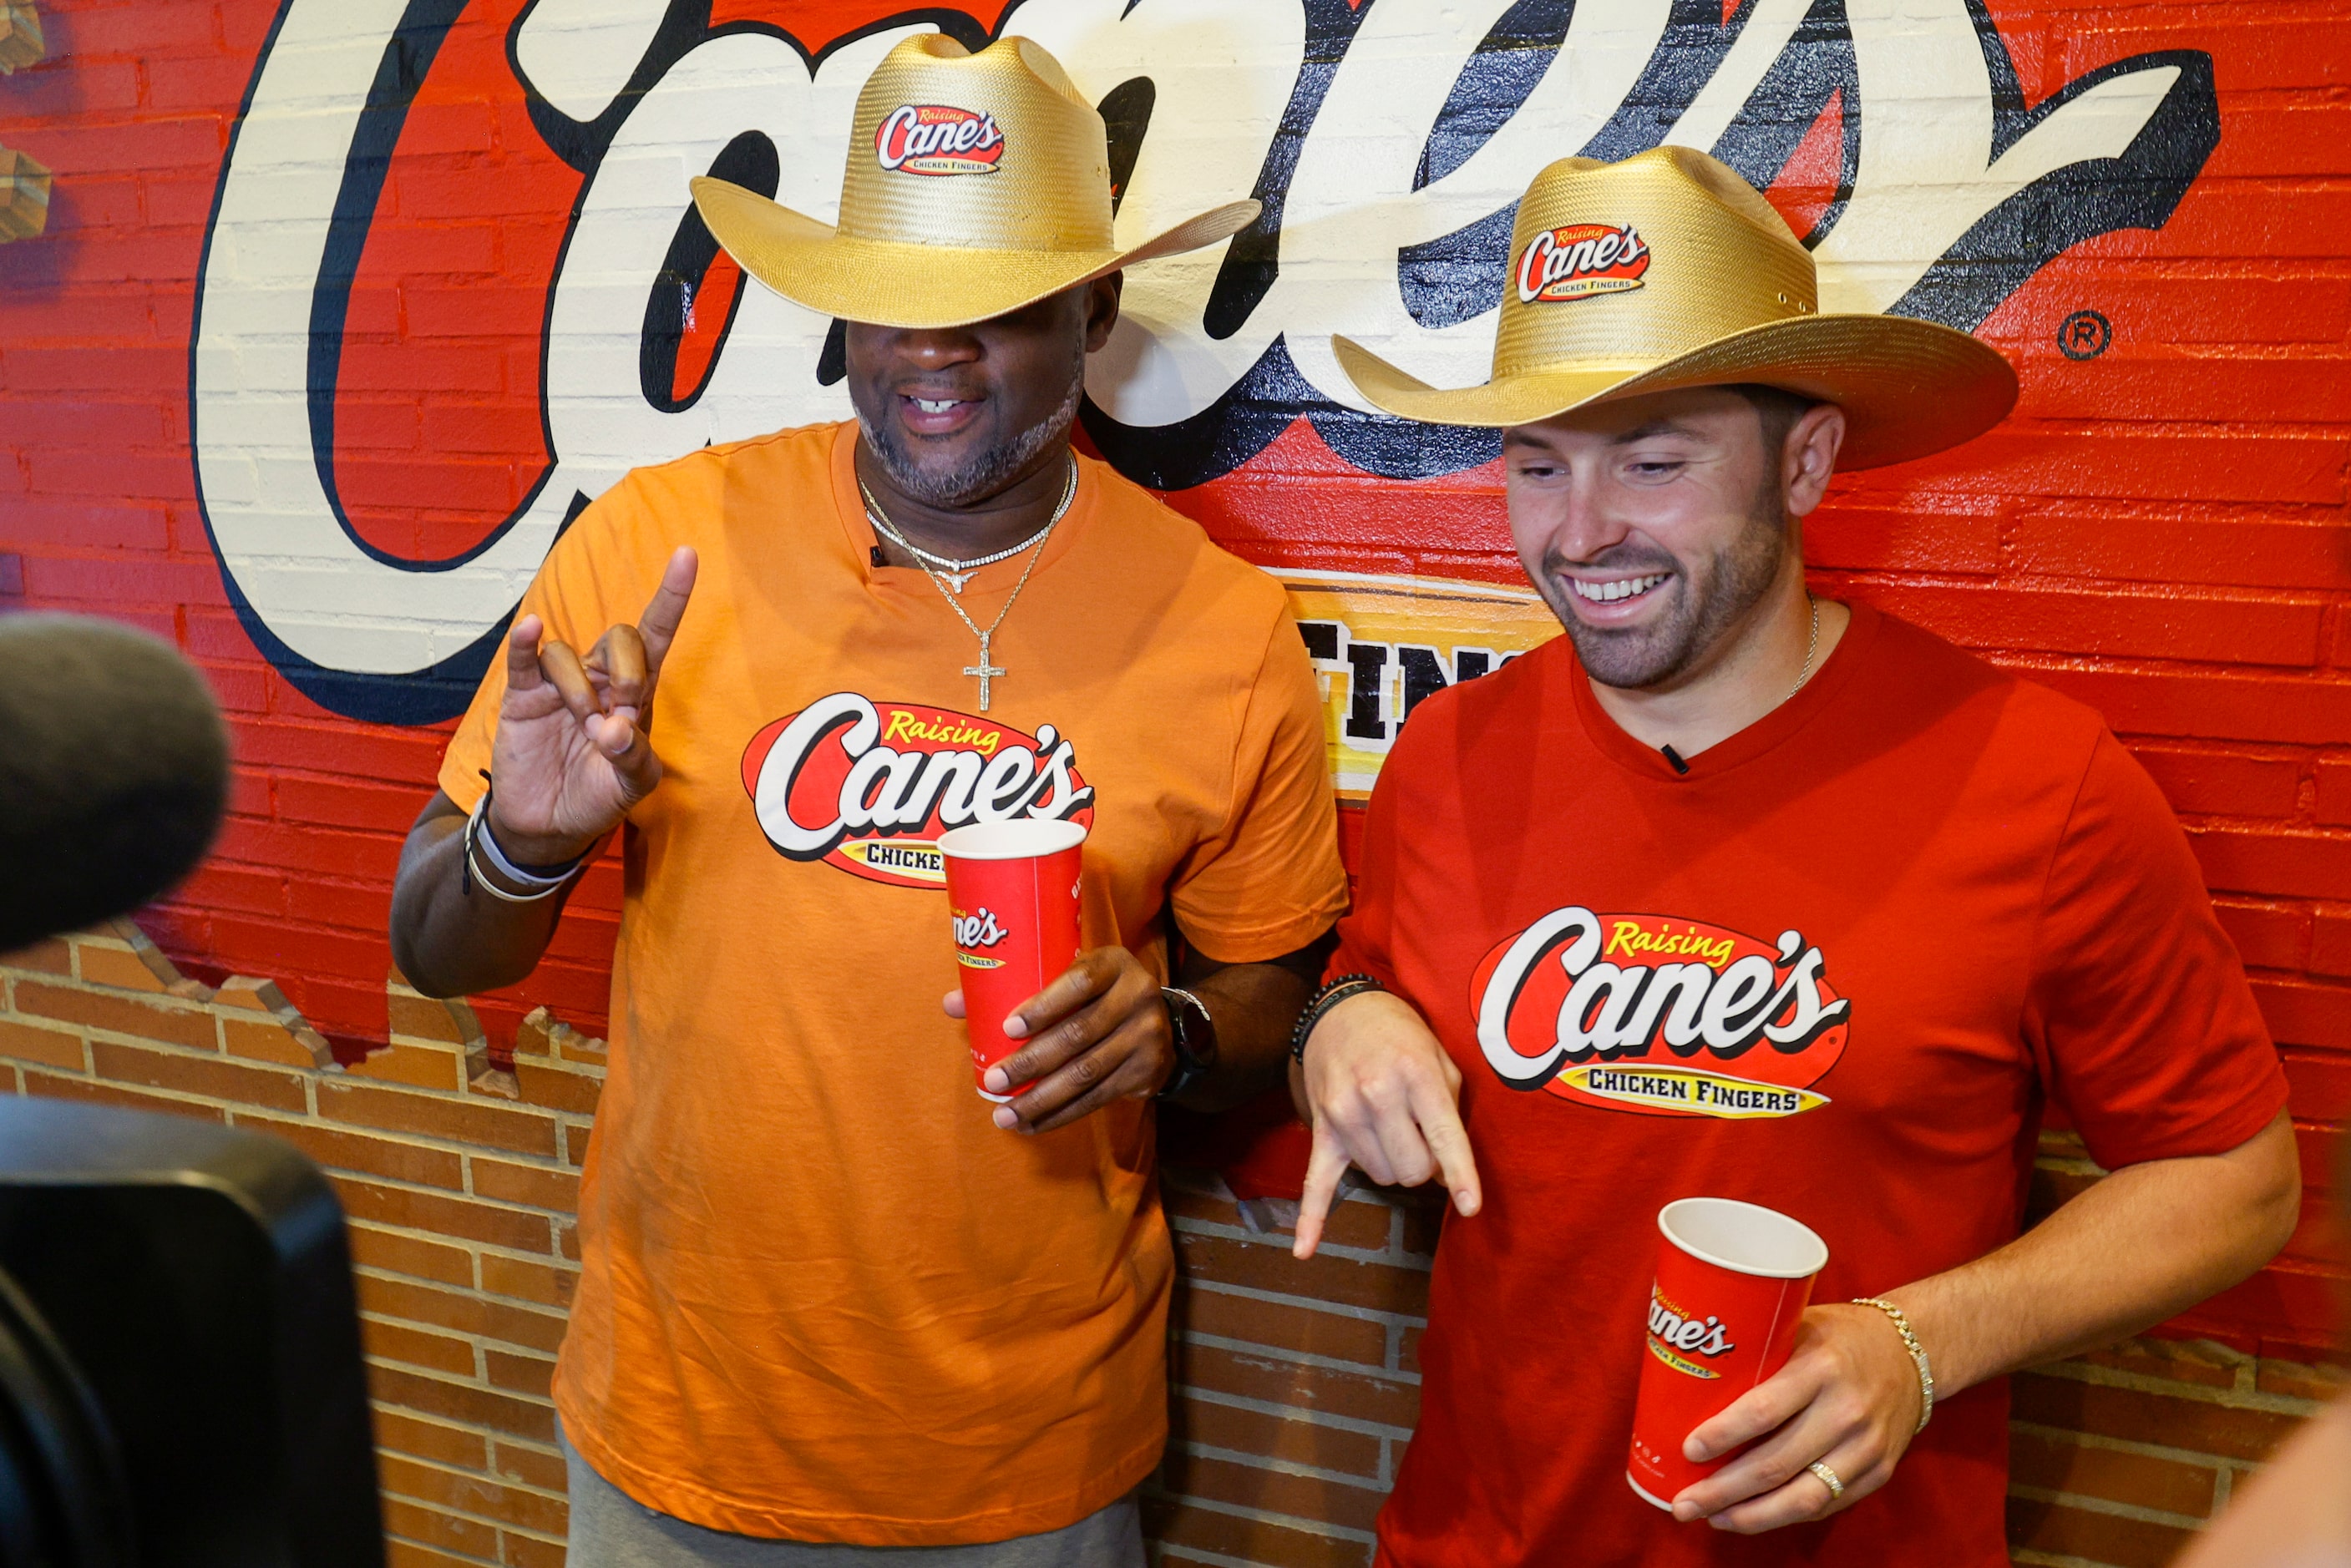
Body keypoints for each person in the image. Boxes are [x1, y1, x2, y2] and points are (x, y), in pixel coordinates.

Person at [388, 34, 1346, 1565]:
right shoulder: (661, 543)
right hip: (679, 1438)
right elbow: (437, 950)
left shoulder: (1224, 631)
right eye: (889, 306)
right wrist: (522, 842)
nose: (930, 353)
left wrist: (1165, 1036)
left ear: (1097, 310)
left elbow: (1269, 992)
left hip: (1031, 1458)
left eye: (995, 307)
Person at [1286, 145, 2302, 1566]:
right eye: (1538, 465)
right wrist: (1349, 1019)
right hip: (1479, 1536)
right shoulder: (1451, 753)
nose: (1582, 533)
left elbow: (2238, 1180)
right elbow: (1365, 977)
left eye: (1653, 460)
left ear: (1807, 459)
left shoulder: (2041, 782)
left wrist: (1924, 1339)